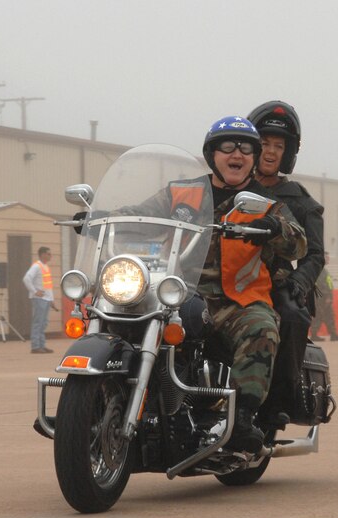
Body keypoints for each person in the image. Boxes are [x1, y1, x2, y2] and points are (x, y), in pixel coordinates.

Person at [130, 115, 306, 452]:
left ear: (253, 158)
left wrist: (275, 228)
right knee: (122, 314)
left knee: (262, 329)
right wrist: (98, 217)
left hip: (234, 301)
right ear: (212, 154)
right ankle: (102, 397)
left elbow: (298, 243)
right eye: (227, 146)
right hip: (176, 293)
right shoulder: (181, 193)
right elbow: (141, 214)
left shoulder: (265, 203)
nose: (236, 154)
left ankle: (242, 419)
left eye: (246, 149)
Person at [248, 101, 327, 423]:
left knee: (293, 315)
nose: (270, 152)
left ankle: (277, 404)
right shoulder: (228, 187)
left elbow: (316, 254)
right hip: (224, 277)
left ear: (288, 153)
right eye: (264, 143)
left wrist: (299, 282)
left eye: (278, 146)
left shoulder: (301, 201)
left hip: (274, 281)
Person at [23, 246, 56, 353]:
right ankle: (35, 346)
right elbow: (26, 279)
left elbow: (48, 286)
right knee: (38, 322)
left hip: (46, 299)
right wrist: (34, 291)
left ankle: (41, 345)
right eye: (48, 254)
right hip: (39, 299)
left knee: (43, 323)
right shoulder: (37, 266)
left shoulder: (45, 267)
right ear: (42, 254)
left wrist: (51, 300)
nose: (50, 256)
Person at [311, 251, 338, 342]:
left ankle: (333, 334)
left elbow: (328, 284)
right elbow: (322, 285)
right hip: (321, 298)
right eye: (326, 257)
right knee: (319, 315)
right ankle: (314, 334)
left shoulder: (324, 270)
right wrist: (327, 297)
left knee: (329, 315)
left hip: (325, 297)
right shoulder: (319, 270)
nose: (328, 258)